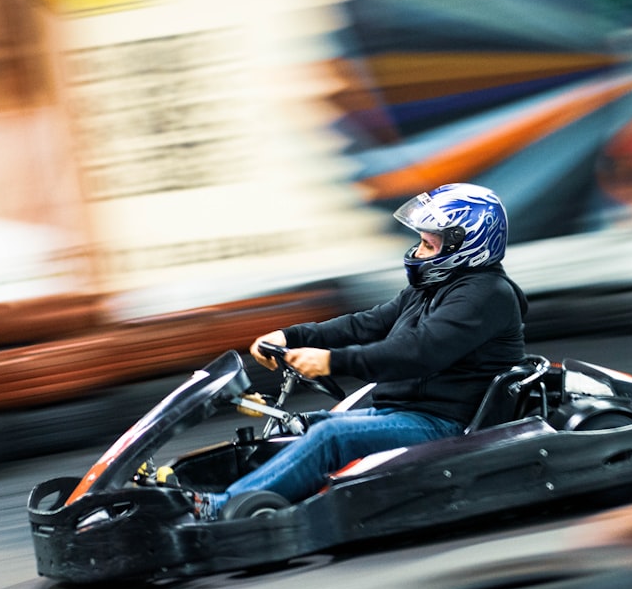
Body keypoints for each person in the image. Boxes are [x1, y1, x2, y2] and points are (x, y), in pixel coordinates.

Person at [191, 183, 529, 520]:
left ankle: (222, 510)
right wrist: (290, 336)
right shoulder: (432, 288)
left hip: (446, 424)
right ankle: (214, 491)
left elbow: (417, 352)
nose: (419, 251)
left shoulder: (487, 296)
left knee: (330, 435)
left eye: (428, 243)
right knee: (301, 426)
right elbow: (364, 324)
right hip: (405, 411)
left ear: (466, 244)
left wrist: (331, 362)